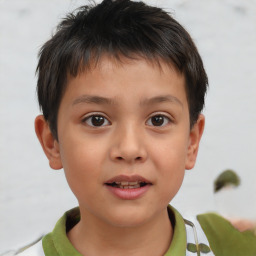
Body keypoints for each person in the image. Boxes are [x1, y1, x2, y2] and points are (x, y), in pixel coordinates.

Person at [13, 0, 256, 255]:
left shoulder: (233, 246)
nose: (129, 149)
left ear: (191, 141)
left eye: (158, 120)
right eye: (96, 120)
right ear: (52, 142)